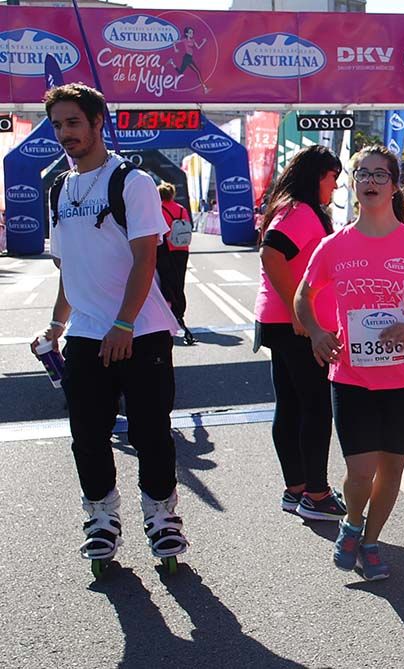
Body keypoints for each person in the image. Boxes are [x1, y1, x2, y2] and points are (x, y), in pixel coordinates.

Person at [36, 83, 187, 572]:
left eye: (73, 122)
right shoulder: (59, 186)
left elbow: (147, 257)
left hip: (140, 331)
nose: (65, 133)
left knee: (151, 433)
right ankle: (101, 519)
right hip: (85, 333)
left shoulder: (131, 182)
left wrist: (124, 322)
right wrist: (57, 324)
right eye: (58, 125)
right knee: (87, 435)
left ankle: (161, 519)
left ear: (98, 122)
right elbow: (69, 267)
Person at [294, 145, 404, 580]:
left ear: (395, 186)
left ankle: (372, 539)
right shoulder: (334, 245)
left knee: (392, 470)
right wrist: (318, 332)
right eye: (363, 174)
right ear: (354, 183)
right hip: (352, 377)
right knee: (360, 473)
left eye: (381, 175)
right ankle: (352, 521)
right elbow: (304, 295)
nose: (371, 182)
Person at [254, 146, 348, 522]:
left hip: (285, 321)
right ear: (316, 176)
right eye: (332, 178)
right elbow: (271, 253)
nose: (336, 186)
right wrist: (300, 310)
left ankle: (297, 488)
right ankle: (316, 492)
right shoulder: (301, 212)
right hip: (296, 325)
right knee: (314, 406)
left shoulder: (290, 207)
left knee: (292, 405)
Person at [157, 182, 195, 345]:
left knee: (166, 281)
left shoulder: (158, 208)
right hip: (182, 248)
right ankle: (180, 311)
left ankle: (170, 311)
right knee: (180, 281)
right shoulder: (181, 208)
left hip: (167, 250)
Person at [168, 27, 209, 94]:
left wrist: (203, 42)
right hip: (187, 58)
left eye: (192, 32)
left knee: (181, 72)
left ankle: (172, 62)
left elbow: (198, 48)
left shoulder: (193, 40)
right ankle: (205, 88)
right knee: (197, 71)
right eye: (190, 32)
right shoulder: (184, 40)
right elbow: (174, 42)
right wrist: (175, 49)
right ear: (186, 34)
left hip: (190, 58)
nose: (191, 34)